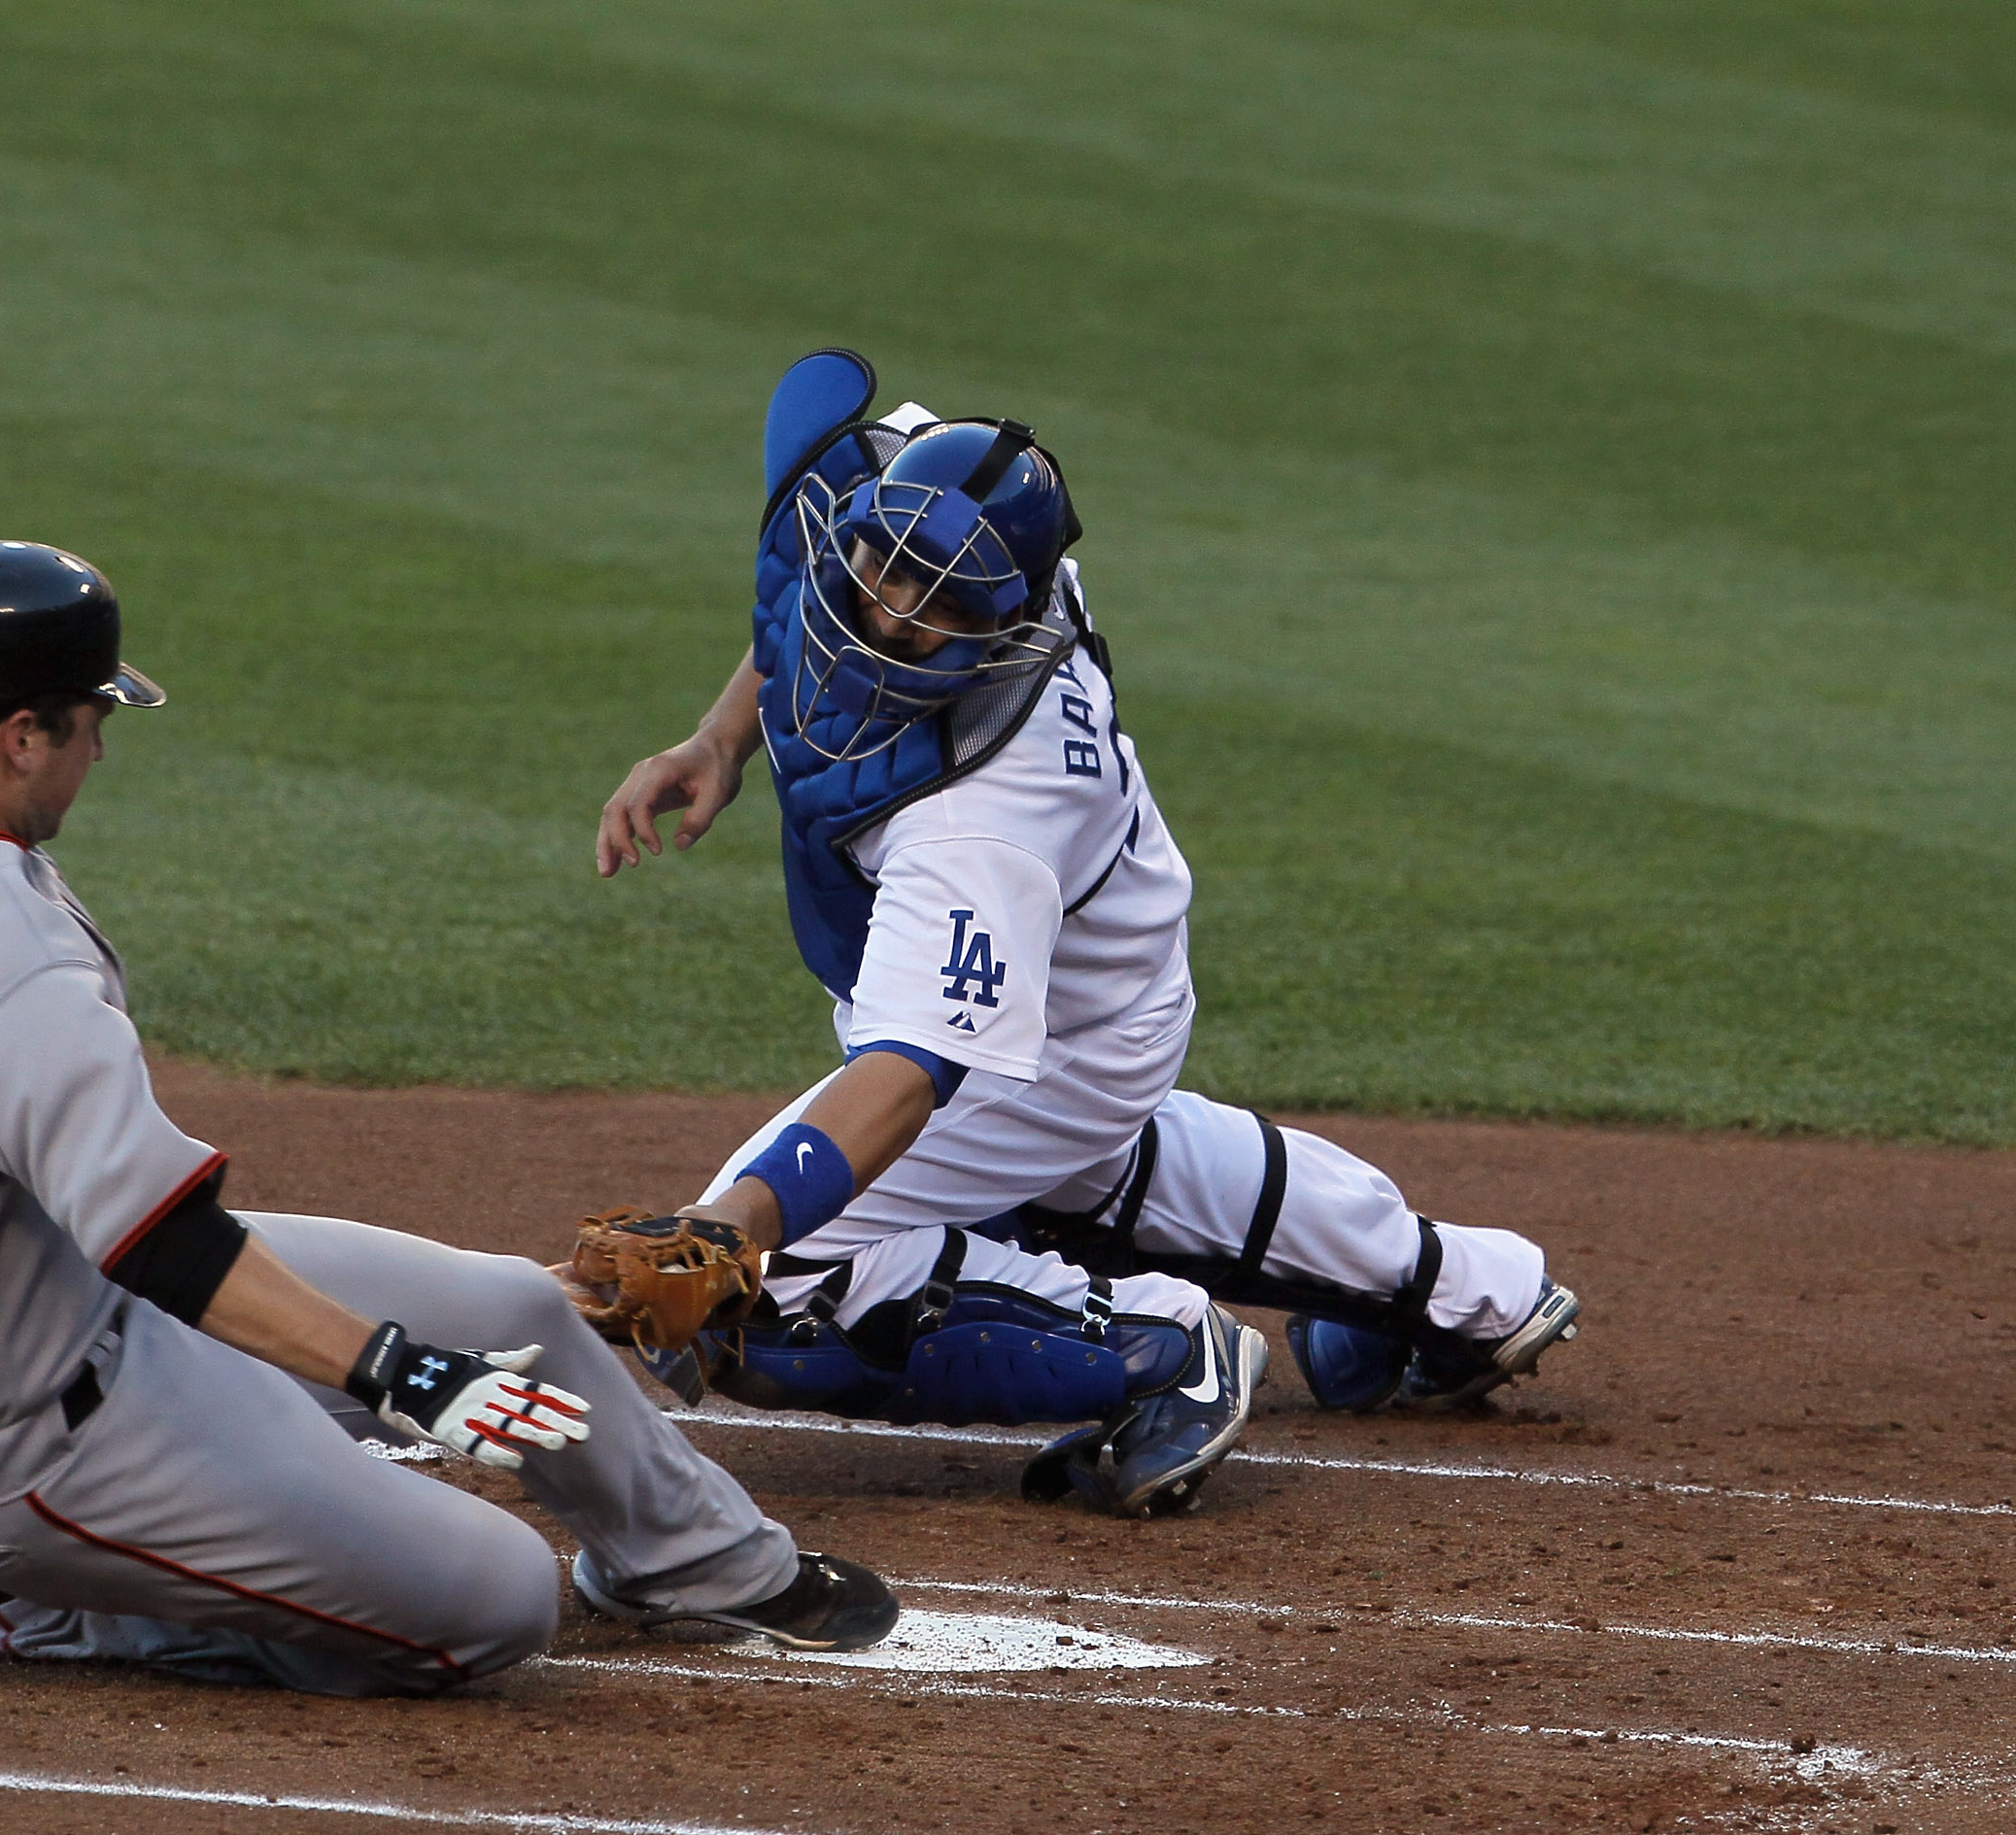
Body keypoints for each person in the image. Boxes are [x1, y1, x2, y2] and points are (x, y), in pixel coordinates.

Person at [0, 86, 894, 1694]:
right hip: (45, 1446)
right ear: (17, 734)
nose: (99, 746)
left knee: (521, 1309)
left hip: (86, 1312)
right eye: (88, 721)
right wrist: (399, 1375)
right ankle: (44, 1598)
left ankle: (709, 1564)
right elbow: (171, 1243)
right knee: (490, 1599)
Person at [587, 351, 1581, 1515]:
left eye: (943, 606)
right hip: (1102, 950)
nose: (895, 615)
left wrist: (730, 1229)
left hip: (1064, 1030)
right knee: (1082, 1177)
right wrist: (717, 739)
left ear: (1009, 619)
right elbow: (824, 605)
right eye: (885, 569)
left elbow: (911, 1076)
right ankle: (1464, 1289)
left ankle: (1167, 1348)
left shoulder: (983, 818)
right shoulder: (921, 507)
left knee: (775, 1287)